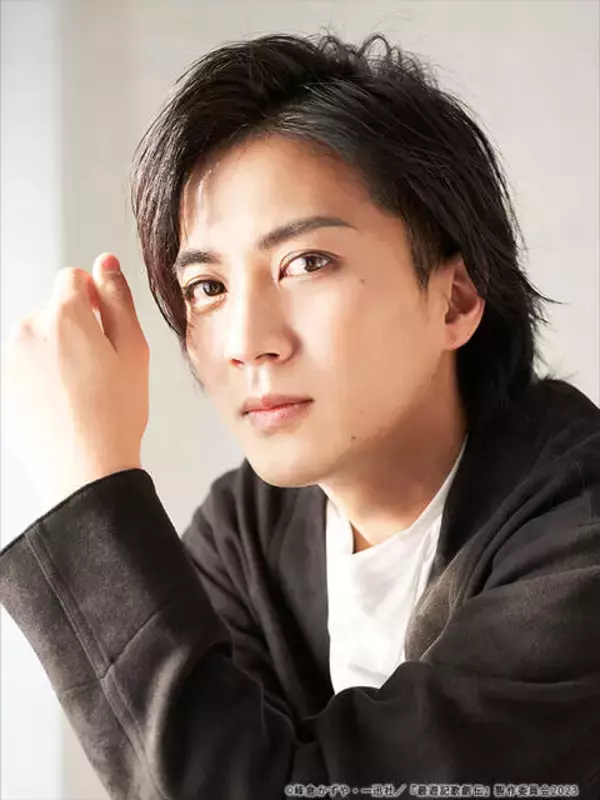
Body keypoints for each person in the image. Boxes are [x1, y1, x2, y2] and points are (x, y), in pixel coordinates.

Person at [1, 30, 599, 800]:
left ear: (454, 300)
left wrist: (92, 487)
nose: (248, 341)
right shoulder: (246, 533)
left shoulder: (578, 535)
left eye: (307, 263)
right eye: (208, 288)